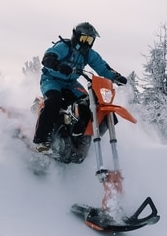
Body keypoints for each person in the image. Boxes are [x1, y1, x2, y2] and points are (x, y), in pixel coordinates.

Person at [33, 22, 128, 152]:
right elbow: (48, 57)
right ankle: (42, 140)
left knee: (90, 103)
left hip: (71, 84)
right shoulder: (64, 47)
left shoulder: (89, 54)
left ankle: (81, 137)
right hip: (52, 80)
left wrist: (116, 77)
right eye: (84, 39)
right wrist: (58, 65)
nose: (86, 43)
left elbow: (102, 67)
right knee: (54, 100)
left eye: (90, 40)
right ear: (76, 37)